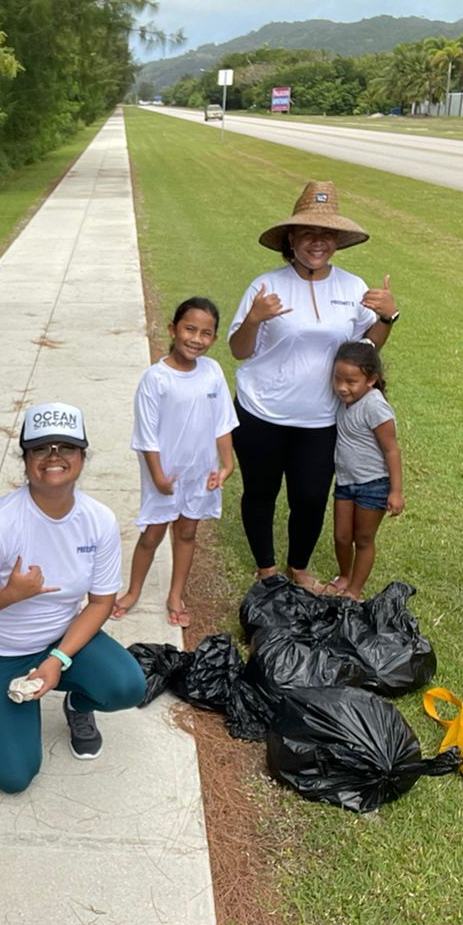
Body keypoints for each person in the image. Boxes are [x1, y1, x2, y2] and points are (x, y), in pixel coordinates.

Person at [0, 403, 147, 793]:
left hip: (59, 640)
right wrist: (9, 595)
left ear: (81, 457)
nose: (54, 457)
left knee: (127, 686)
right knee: (13, 777)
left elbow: (101, 602)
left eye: (66, 447)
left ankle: (77, 704)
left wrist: (57, 660)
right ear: (25, 459)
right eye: (41, 449)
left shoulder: (99, 520)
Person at [227, 180, 399, 594]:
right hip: (261, 410)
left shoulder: (352, 287)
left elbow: (365, 347)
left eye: (326, 234)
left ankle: (298, 566)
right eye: (307, 232)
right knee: (261, 492)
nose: (317, 242)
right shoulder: (265, 285)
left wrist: (388, 318)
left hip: (321, 417)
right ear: (292, 238)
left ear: (337, 240)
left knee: (309, 497)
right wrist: (254, 318)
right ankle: (266, 569)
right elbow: (238, 350)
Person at [112, 297, 237, 626]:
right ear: (173, 329)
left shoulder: (212, 371)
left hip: (201, 472)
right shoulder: (156, 379)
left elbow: (223, 422)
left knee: (186, 532)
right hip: (165, 475)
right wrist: (157, 476)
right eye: (190, 329)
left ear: (214, 337)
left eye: (206, 333)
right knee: (152, 535)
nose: (196, 339)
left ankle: (175, 595)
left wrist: (227, 464)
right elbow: (146, 435)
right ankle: (133, 591)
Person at [327, 339, 403, 600]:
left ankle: (355, 590)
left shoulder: (374, 405)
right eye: (338, 379)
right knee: (340, 536)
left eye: (350, 382)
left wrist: (396, 491)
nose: (342, 387)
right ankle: (344, 576)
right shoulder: (343, 400)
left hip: (374, 484)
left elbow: (391, 449)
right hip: (346, 483)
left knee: (363, 539)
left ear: (371, 380)